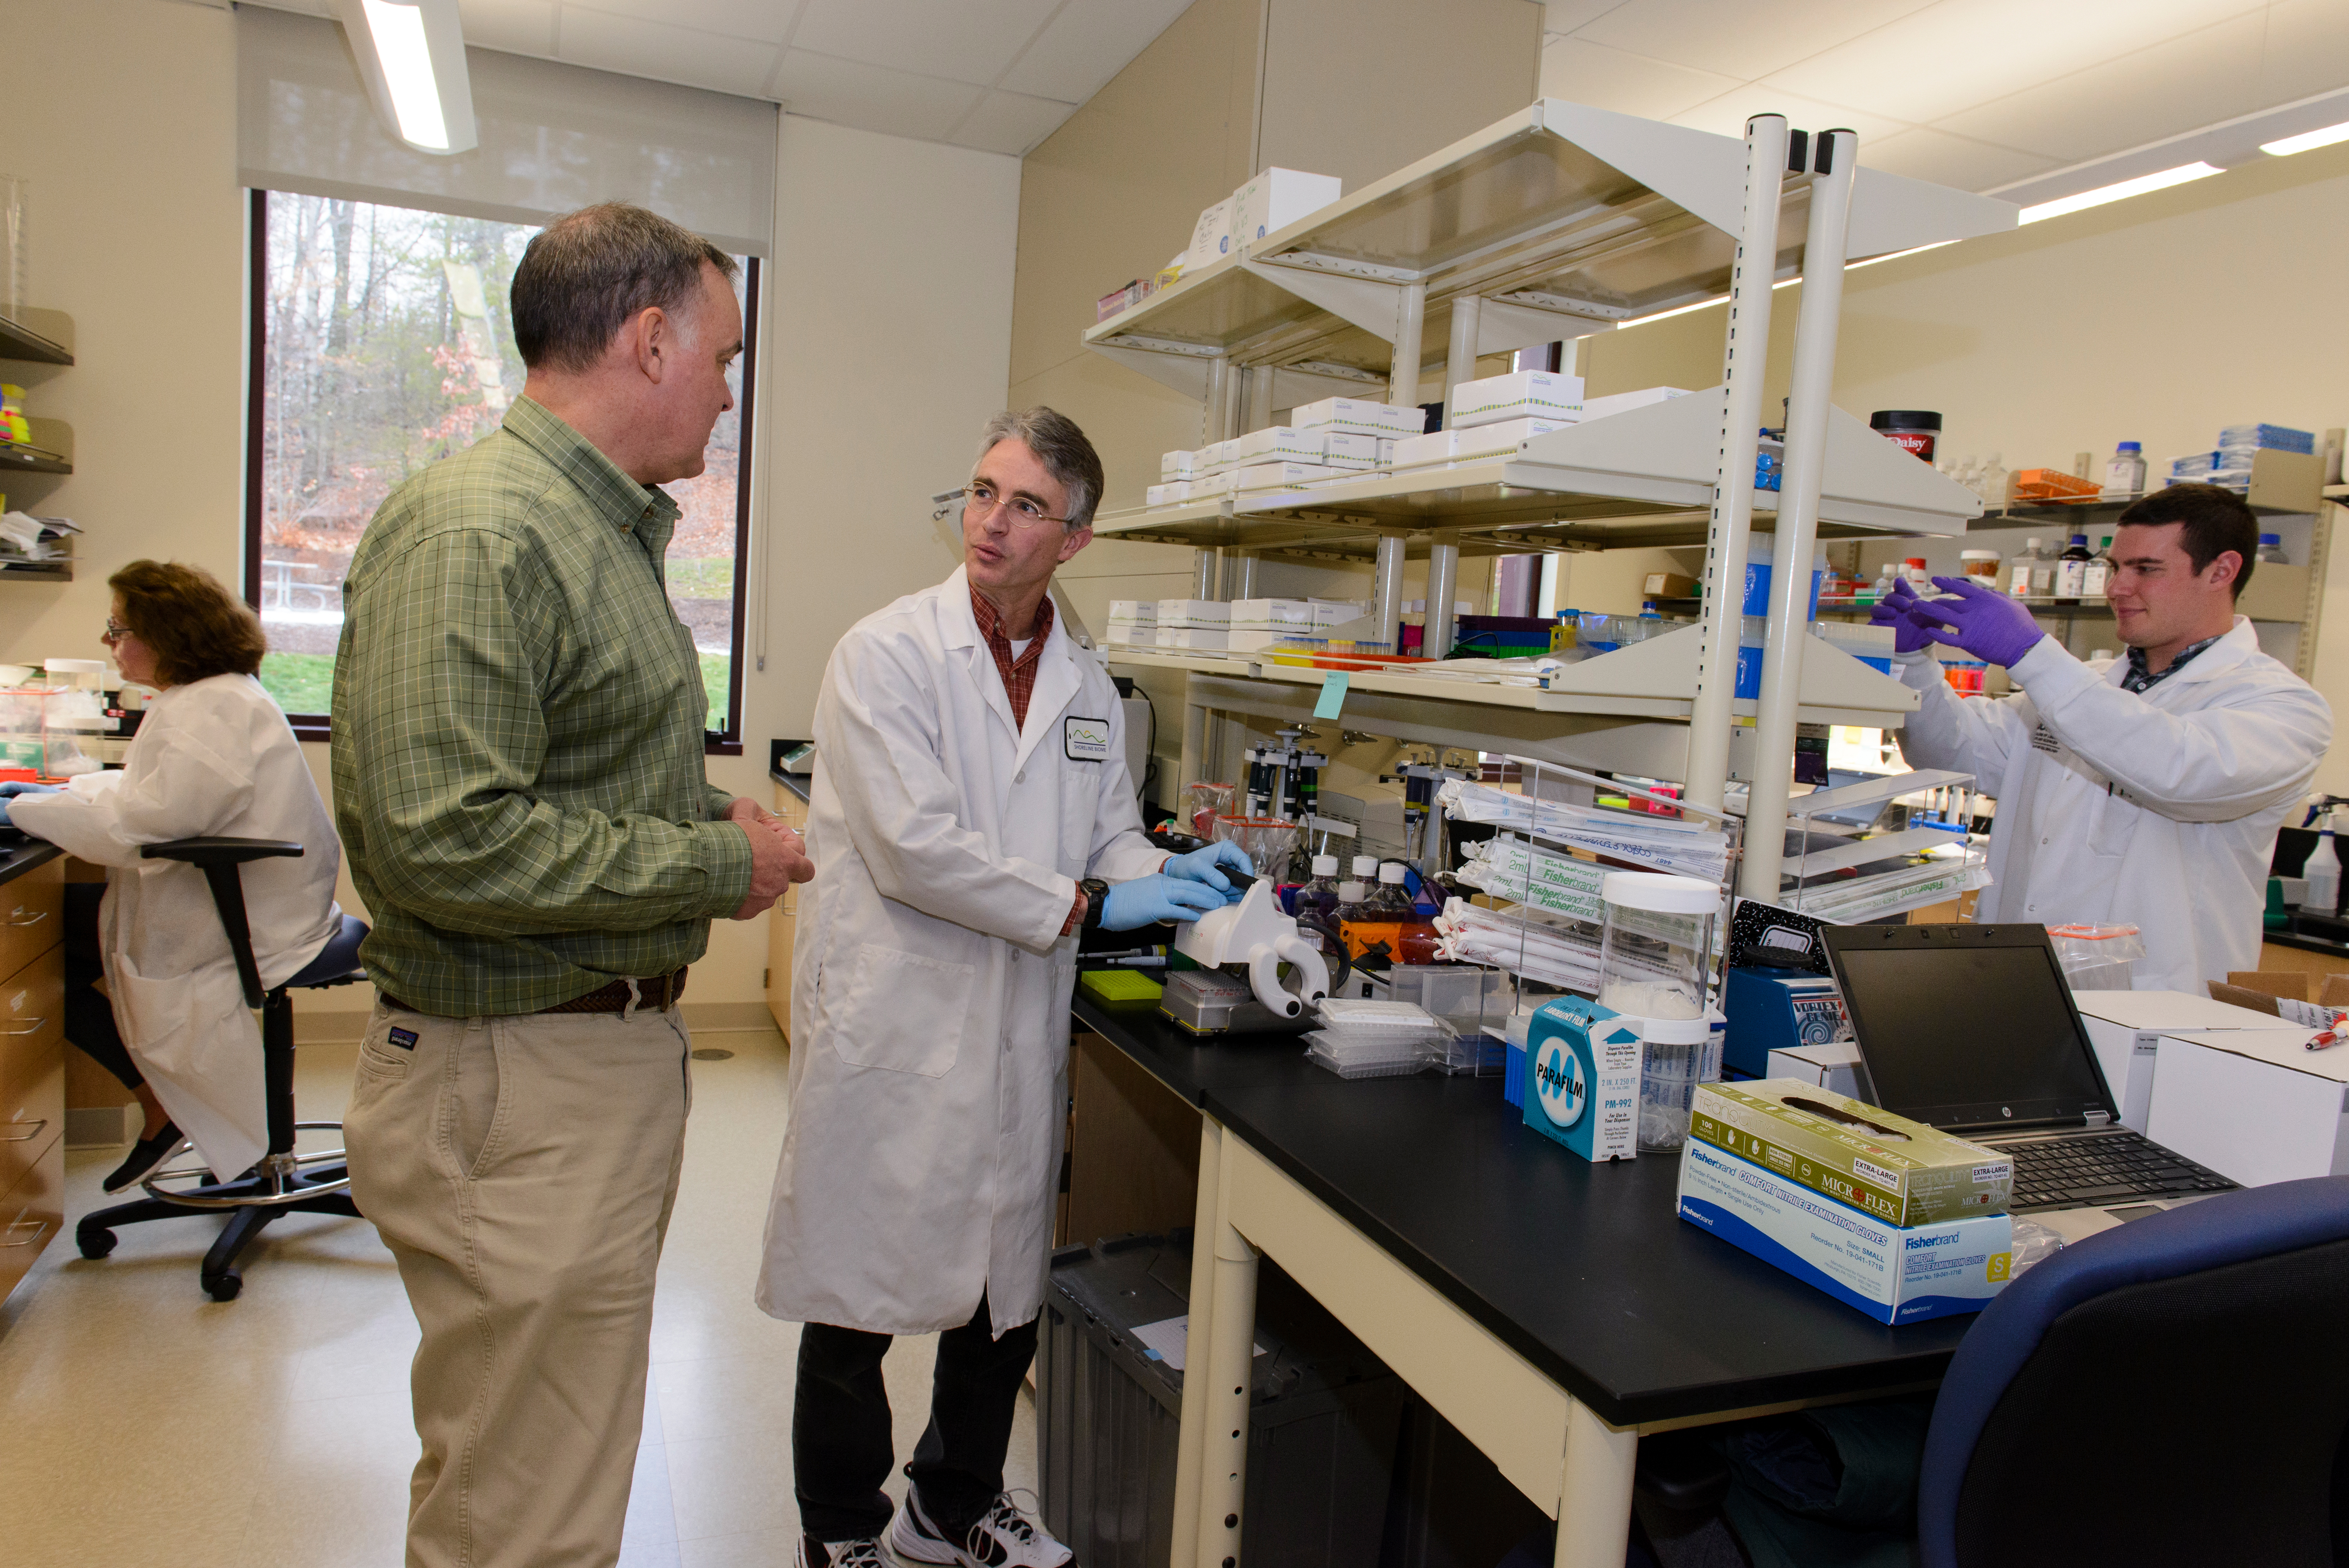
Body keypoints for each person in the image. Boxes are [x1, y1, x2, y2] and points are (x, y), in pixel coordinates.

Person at [331, 202, 812, 1568]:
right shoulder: (482, 528)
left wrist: (685, 806)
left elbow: (554, 769)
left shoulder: (594, 531)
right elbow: (447, 840)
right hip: (515, 1078)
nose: (729, 389)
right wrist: (721, 858)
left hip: (574, 1061)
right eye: (722, 357)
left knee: (547, 1466)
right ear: (649, 341)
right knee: (520, 1513)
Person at [756, 407, 1251, 1568]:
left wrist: (1162, 871)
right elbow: (916, 849)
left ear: (1073, 538)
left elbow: (1111, 836)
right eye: (982, 491)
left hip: (1015, 1019)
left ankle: (951, 1503)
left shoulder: (1087, 685)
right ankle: (840, 1532)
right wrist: (1085, 904)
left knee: (1001, 1284)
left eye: (1026, 504)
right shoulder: (885, 654)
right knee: (858, 1292)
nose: (992, 521)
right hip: (900, 1015)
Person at [1875, 482, 2331, 992]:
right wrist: (1914, 666)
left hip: (2154, 1009)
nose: (2116, 588)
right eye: (2116, 568)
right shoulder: (2084, 689)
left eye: (2146, 569)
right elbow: (1952, 753)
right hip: (2016, 988)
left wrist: (2034, 655)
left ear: (2221, 571)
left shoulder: (2283, 707)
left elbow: (2178, 772)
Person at [1, 560, 343, 1192]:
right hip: (245, 904)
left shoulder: (208, 707)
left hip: (247, 923)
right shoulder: (210, 695)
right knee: (51, 950)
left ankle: (161, 1107)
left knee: (41, 956)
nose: (111, 643)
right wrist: (50, 796)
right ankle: (160, 1106)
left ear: (168, 634)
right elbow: (153, 797)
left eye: (119, 628)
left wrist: (26, 807)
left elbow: (149, 823)